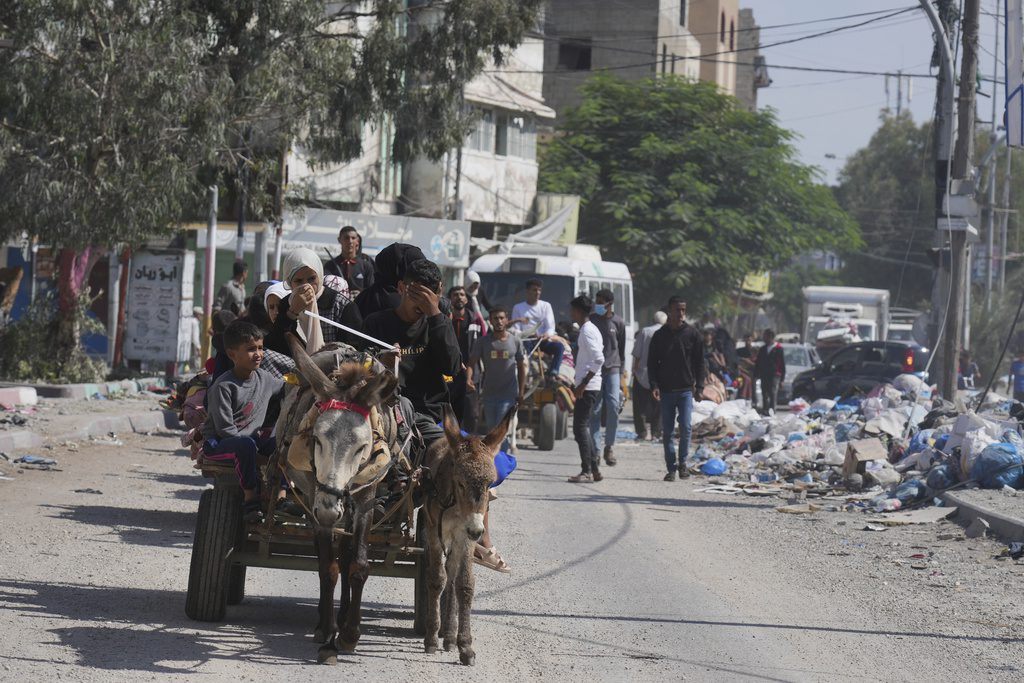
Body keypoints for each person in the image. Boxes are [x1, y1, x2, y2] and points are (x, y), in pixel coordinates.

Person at [201, 320, 288, 522]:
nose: (258, 354)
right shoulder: (224, 386)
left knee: (284, 443)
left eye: (260, 348)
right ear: (232, 355)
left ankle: (281, 497)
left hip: (251, 442)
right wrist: (259, 458)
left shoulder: (264, 378)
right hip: (220, 444)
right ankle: (251, 498)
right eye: (250, 349)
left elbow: (287, 389)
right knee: (246, 445)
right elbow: (225, 430)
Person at [361, 259, 461, 429]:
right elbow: (361, 370)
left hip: (429, 416)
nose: (421, 304)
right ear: (401, 288)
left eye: (427, 298)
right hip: (384, 414)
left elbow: (452, 368)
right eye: (416, 296)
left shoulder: (440, 323)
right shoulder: (375, 323)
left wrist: (434, 314)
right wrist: (382, 364)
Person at [648, 296, 704, 481]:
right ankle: (671, 468)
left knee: (686, 427)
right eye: (677, 310)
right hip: (666, 390)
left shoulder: (693, 334)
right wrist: (654, 385)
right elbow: (652, 363)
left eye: (683, 310)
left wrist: (700, 386)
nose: (680, 313)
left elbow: (699, 362)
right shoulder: (659, 335)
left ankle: (683, 464)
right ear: (669, 311)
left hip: (686, 390)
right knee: (668, 431)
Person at [264, 248, 356, 357]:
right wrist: (292, 312)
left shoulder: (340, 305)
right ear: (290, 282)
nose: (306, 285)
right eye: (299, 281)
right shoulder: (285, 304)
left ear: (320, 276)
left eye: (311, 279)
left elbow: (352, 349)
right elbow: (274, 343)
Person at [466, 306, 526, 450]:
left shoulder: (516, 342)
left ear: (507, 320)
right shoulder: (482, 342)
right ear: (491, 321)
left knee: (500, 431)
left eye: (501, 318)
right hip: (489, 395)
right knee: (492, 431)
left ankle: (502, 464)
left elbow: (522, 367)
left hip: (508, 395)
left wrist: (521, 391)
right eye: (495, 318)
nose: (499, 321)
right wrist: (468, 379)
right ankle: (498, 463)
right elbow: (471, 363)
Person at [568, 295, 605, 483]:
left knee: (580, 428)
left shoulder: (588, 331)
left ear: (580, 311)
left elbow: (599, 359)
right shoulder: (589, 329)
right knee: (584, 428)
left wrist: (582, 384)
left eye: (573, 309)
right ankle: (595, 469)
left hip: (588, 386)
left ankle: (587, 470)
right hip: (588, 384)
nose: (571, 313)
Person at [589, 289, 626, 466]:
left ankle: (609, 446)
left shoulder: (618, 322)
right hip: (595, 370)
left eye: (601, 301)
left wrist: (622, 375)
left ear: (609, 304)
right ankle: (595, 450)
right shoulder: (592, 320)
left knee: (613, 407)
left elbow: (621, 348)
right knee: (595, 411)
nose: (598, 304)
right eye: (596, 301)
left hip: (613, 369)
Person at [511, 278, 564, 381]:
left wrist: (546, 335)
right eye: (534, 290)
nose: (537, 292)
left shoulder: (546, 306)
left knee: (559, 347)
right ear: (527, 291)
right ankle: (528, 374)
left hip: (542, 340)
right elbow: (515, 330)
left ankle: (553, 372)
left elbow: (550, 327)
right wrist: (528, 334)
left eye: (539, 290)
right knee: (524, 350)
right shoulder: (518, 308)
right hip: (527, 340)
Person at [448, 285, 485, 427]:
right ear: (450, 299)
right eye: (455, 294)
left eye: (462, 294)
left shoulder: (475, 321)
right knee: (450, 413)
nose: (459, 297)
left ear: (467, 299)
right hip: (449, 374)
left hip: (471, 374)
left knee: (471, 414)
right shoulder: (444, 320)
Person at [632, 311, 666, 441]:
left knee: (640, 405)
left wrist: (635, 370)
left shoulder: (645, 331)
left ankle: (642, 432)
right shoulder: (668, 332)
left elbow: (637, 354)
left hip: (643, 373)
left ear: (653, 319)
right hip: (661, 375)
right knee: (658, 405)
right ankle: (656, 433)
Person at [324, 225, 375, 296]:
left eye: (353, 238)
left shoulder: (366, 266)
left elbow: (372, 290)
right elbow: (325, 289)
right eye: (346, 238)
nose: (350, 241)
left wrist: (361, 294)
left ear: (357, 241)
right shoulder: (330, 266)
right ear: (339, 240)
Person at [753, 329, 785, 415]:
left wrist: (782, 379)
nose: (764, 338)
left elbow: (782, 365)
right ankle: (765, 410)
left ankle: (772, 410)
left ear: (770, 337)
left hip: (775, 375)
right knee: (764, 392)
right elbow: (758, 363)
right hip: (764, 374)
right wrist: (756, 374)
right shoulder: (763, 349)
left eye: (765, 336)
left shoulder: (779, 349)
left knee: (772, 392)